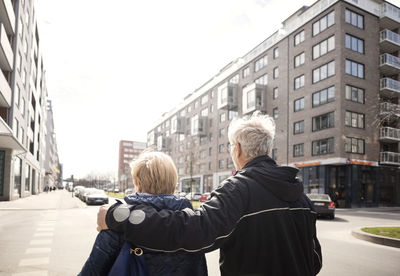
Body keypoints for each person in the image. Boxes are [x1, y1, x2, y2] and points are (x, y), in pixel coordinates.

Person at [98, 112, 322, 276]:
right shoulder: (301, 197)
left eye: (230, 147)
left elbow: (193, 230)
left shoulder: (239, 189)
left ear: (237, 149)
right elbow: (315, 259)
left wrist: (119, 216)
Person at [79, 151, 207, 276]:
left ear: (138, 182)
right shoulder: (190, 224)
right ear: (173, 182)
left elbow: (92, 270)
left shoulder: (117, 224)